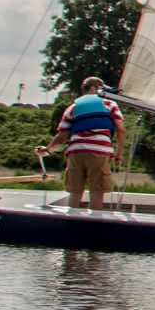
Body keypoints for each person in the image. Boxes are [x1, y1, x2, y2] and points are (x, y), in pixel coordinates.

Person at [36, 76, 124, 210]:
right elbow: (121, 130)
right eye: (101, 88)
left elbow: (61, 137)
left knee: (75, 192)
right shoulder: (110, 104)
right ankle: (94, 220)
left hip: (76, 152)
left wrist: (47, 151)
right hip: (99, 152)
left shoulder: (72, 108)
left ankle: (71, 219)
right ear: (94, 88)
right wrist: (119, 153)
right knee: (97, 192)